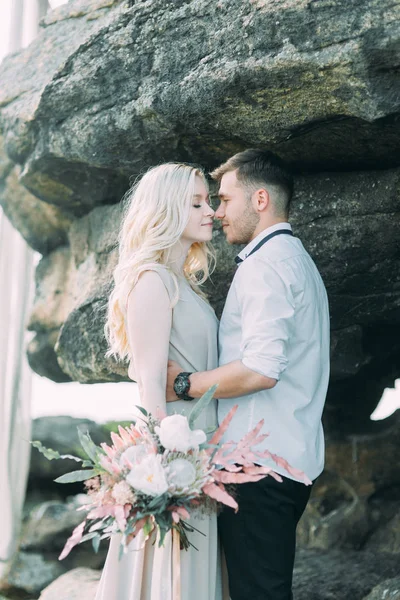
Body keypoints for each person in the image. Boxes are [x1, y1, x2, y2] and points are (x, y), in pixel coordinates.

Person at [166, 149, 330, 600]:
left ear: (260, 200)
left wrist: (184, 384)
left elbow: (261, 369)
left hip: (259, 468)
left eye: (224, 199)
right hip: (280, 463)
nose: (217, 213)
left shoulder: (266, 265)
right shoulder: (292, 259)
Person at [99, 163, 228, 600]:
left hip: (203, 454)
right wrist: (163, 472)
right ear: (167, 210)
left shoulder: (186, 285)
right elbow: (150, 382)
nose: (209, 211)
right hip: (177, 460)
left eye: (208, 200)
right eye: (195, 203)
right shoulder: (153, 280)